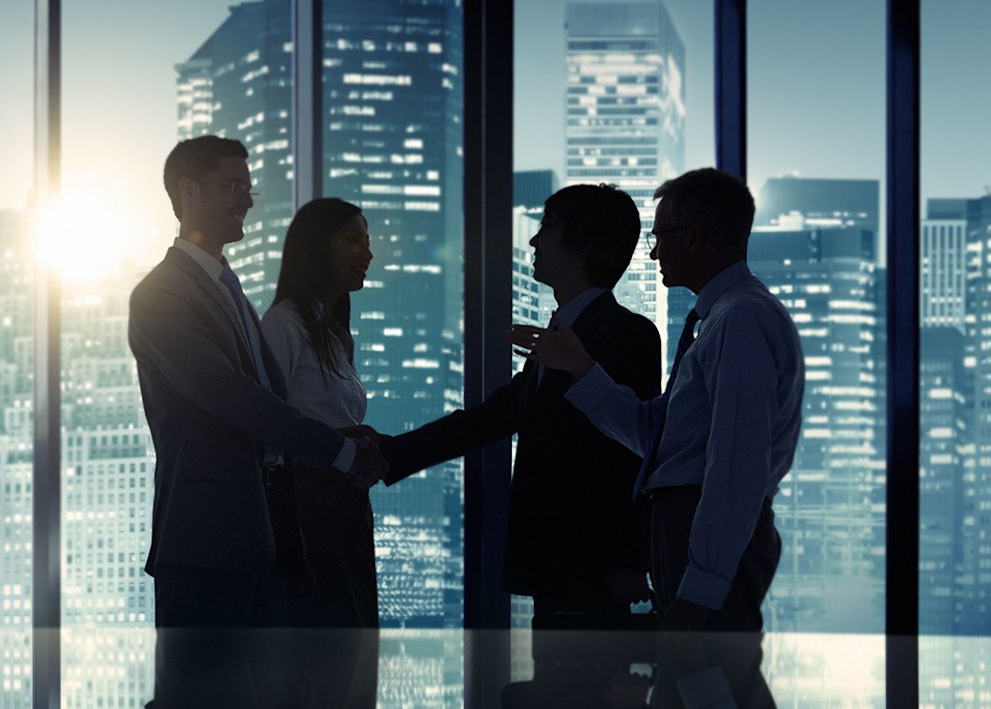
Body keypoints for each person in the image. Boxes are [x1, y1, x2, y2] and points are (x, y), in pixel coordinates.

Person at [128, 136, 389, 706]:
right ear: (188, 191)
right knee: (197, 696)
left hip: (265, 537)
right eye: (232, 186)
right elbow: (228, 394)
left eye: (248, 187)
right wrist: (338, 452)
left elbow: (267, 396)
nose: (246, 199)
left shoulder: (231, 289)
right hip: (206, 538)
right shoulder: (160, 294)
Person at [514, 167, 805, 646]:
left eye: (661, 236)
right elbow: (659, 436)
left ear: (694, 238)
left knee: (712, 683)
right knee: (705, 686)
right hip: (689, 533)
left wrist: (700, 589)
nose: (652, 251)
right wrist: (583, 371)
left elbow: (735, 467)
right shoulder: (722, 319)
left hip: (700, 536)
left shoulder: (740, 321)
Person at [379, 183, 663, 632]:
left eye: (547, 228)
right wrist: (388, 451)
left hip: (590, 568)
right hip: (553, 562)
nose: (534, 241)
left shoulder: (628, 333)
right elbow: (493, 417)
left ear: (584, 243)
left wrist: (628, 560)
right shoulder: (555, 338)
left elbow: (631, 451)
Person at [259, 198, 382, 707]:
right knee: (326, 660)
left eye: (368, 240)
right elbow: (267, 428)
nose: (367, 252)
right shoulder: (284, 326)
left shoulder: (331, 332)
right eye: (354, 239)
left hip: (347, 510)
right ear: (318, 246)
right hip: (310, 513)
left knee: (353, 654)